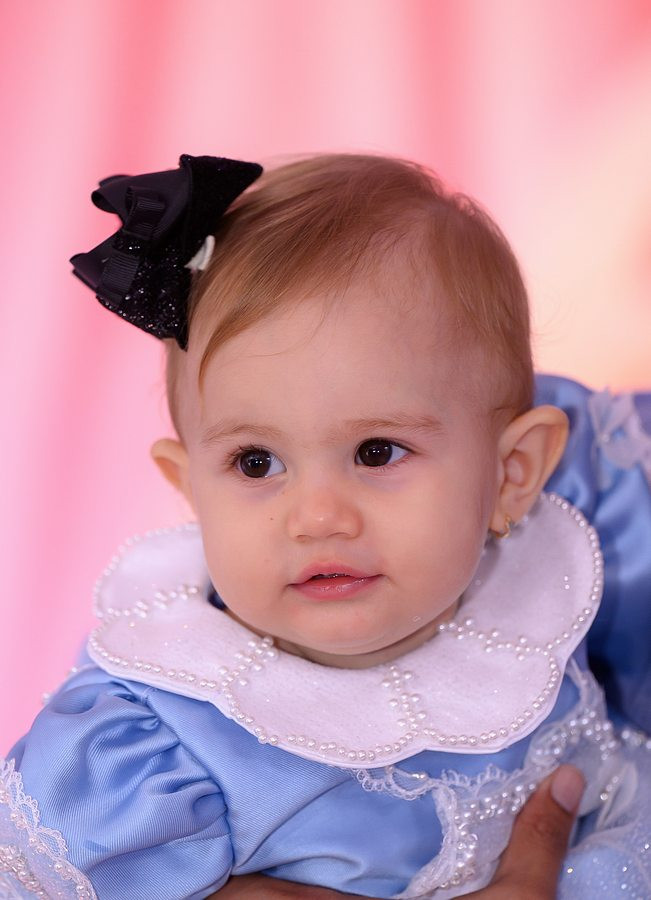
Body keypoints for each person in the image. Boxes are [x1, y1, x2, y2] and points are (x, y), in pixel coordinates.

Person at [1, 153, 649, 900]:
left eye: (376, 452)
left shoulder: (562, 592)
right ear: (190, 490)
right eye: (255, 463)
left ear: (511, 474)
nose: (317, 518)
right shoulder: (155, 746)